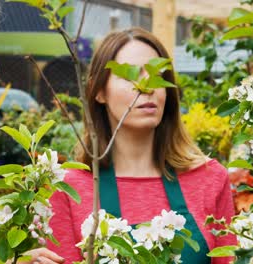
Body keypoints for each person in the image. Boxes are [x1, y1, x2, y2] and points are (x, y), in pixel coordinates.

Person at [44, 27, 237, 264]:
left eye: (158, 75)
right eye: (131, 76)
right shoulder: (68, 189)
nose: (148, 87)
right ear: (99, 92)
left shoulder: (209, 178)